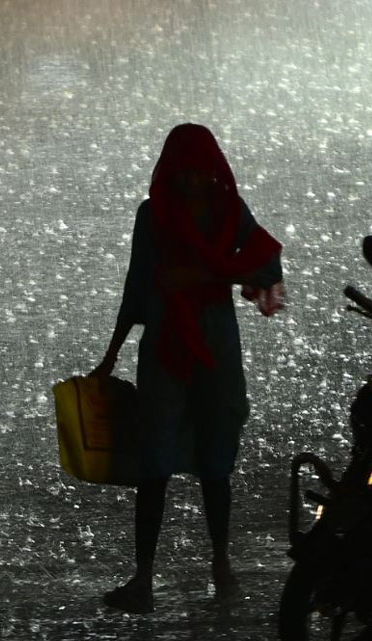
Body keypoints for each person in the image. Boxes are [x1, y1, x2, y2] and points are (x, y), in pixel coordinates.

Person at [92, 123, 286, 614]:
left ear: (213, 170)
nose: (193, 181)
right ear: (171, 172)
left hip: (216, 347)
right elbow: (137, 286)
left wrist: (208, 275)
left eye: (200, 171)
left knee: (216, 461)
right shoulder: (152, 217)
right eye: (185, 172)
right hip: (165, 346)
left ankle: (222, 566)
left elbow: (267, 265)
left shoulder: (230, 214)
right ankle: (143, 579)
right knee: (153, 464)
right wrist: (112, 353)